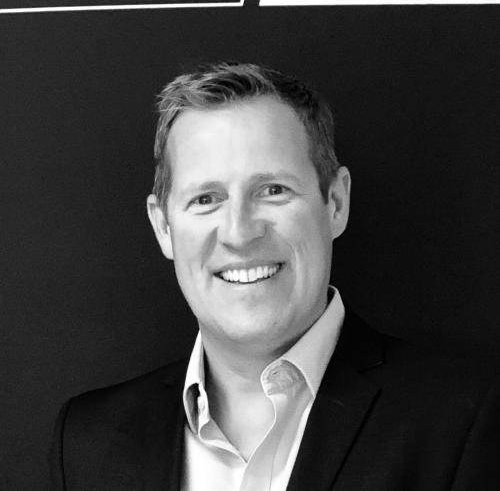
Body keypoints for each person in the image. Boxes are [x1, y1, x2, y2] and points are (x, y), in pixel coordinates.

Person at [50, 62, 500, 490]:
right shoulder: (87, 441)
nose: (239, 233)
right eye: (206, 199)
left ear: (336, 203)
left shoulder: (466, 419)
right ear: (163, 227)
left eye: (272, 190)